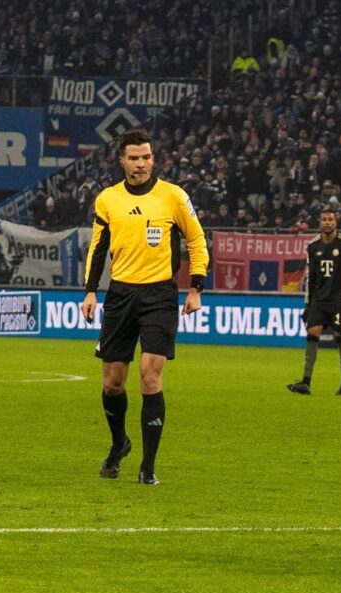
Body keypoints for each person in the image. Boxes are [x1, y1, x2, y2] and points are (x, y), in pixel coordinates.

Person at [80, 130, 210, 485]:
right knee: (113, 383)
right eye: (134, 158)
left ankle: (147, 467)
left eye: (146, 157)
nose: (141, 163)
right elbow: (97, 247)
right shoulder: (108, 200)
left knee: (150, 377)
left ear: (153, 159)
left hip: (160, 297)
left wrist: (196, 287)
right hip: (120, 296)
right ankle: (119, 442)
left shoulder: (174, 197)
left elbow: (196, 240)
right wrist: (91, 292)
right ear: (121, 160)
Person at [287, 208, 341, 396]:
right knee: (312, 334)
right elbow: (310, 277)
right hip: (319, 299)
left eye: (330, 219)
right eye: (324, 219)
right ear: (320, 223)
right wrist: (307, 304)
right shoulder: (312, 246)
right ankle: (306, 382)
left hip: (340, 300)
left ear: (336, 222)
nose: (327, 222)